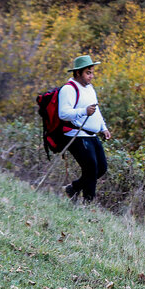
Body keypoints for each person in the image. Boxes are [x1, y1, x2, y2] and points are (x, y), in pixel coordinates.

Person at [59, 55, 112, 203]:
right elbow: (63, 113)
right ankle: (88, 204)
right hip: (76, 134)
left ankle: (73, 188)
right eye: (88, 72)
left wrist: (103, 127)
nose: (91, 76)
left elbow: (96, 109)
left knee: (101, 168)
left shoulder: (89, 88)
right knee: (91, 169)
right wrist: (83, 111)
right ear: (78, 73)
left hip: (91, 134)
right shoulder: (68, 89)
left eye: (92, 72)